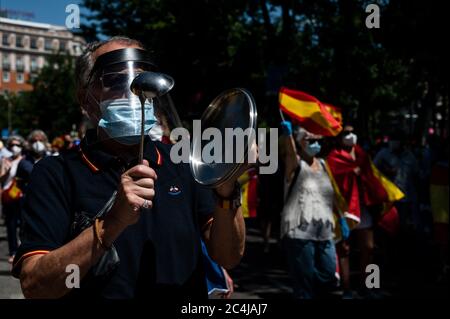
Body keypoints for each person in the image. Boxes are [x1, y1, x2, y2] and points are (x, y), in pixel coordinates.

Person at [12, 36, 245, 299]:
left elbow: (228, 255)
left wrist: (226, 192)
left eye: (143, 82)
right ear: (87, 99)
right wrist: (110, 224)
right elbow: (35, 286)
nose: (133, 94)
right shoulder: (57, 173)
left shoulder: (184, 162)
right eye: (114, 81)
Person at [279, 121, 348, 299]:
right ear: (300, 142)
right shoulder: (296, 166)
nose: (315, 144)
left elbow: (330, 194)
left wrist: (341, 219)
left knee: (328, 274)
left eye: (318, 140)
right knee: (304, 284)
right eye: (309, 140)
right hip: (300, 233)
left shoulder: (324, 165)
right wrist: (288, 136)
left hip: (325, 231)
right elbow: (290, 156)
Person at [1, 136, 27, 263]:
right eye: (11, 145)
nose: (14, 147)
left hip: (22, 196)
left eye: (17, 144)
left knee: (23, 223)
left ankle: (23, 249)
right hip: (9, 195)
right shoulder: (6, 160)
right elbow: (1, 178)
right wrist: (7, 169)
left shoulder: (25, 161)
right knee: (11, 224)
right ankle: (13, 251)